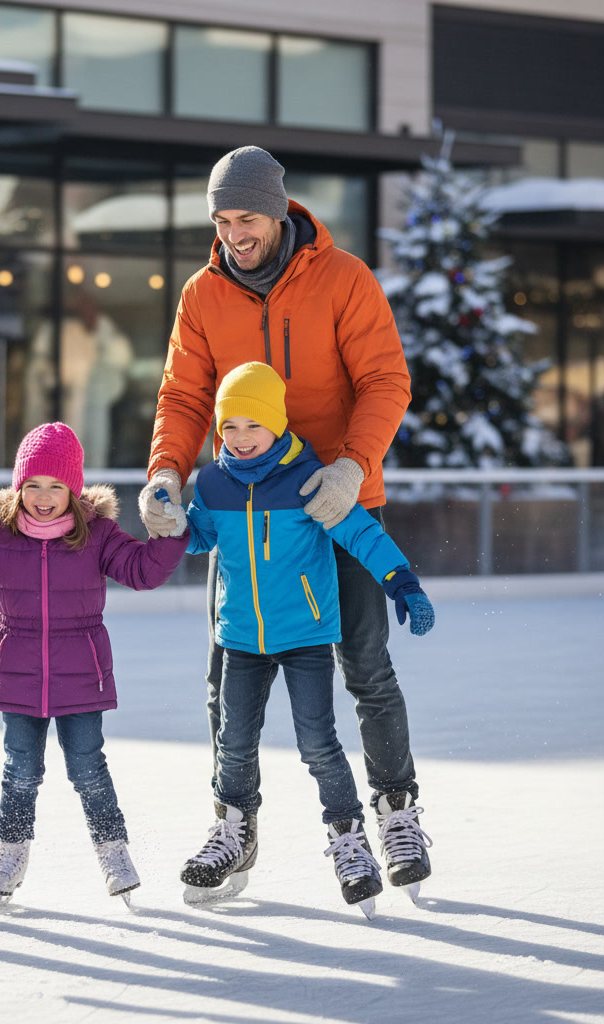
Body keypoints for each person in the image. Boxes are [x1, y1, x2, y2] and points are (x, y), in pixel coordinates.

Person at [138, 146, 433, 894]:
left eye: (246, 218)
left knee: (365, 665)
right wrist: (167, 474)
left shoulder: (344, 279)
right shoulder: (203, 295)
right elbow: (182, 396)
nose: (234, 233)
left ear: (278, 212)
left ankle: (396, 810)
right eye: (222, 219)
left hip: (338, 498)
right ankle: (233, 823)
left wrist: (351, 467)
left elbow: (384, 379)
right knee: (226, 675)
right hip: (244, 511)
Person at [176, 362, 434, 914]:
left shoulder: (308, 479)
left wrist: (401, 580)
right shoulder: (214, 482)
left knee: (318, 744)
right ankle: (233, 829)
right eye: (229, 427)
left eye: (253, 426)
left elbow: (360, 532)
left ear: (276, 424)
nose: (240, 439)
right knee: (233, 742)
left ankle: (349, 838)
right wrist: (171, 521)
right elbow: (200, 537)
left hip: (305, 637)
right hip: (241, 637)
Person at [0, 422, 188, 908]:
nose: (43, 497)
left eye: (56, 486)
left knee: (88, 767)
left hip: (82, 674)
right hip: (19, 676)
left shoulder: (97, 535)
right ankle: (11, 852)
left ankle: (113, 850)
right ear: (19, 487)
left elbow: (144, 571)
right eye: (33, 485)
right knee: (20, 768)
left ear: (74, 489)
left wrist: (167, 535)